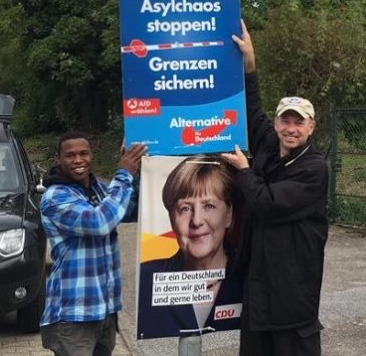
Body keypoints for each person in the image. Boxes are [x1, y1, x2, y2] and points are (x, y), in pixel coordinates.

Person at [221, 21, 329, 356]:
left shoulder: (314, 169)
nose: (291, 128)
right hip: (259, 294)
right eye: (286, 120)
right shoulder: (270, 144)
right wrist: (249, 63)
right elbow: (252, 112)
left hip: (293, 299)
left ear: (311, 127)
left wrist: (243, 170)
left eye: (299, 122)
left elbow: (267, 203)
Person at [39, 131, 147, 356]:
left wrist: (137, 172)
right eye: (70, 155)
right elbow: (99, 223)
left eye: (83, 153)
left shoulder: (97, 188)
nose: (78, 160)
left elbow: (129, 211)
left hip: (105, 310)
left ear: (91, 155)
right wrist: (124, 173)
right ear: (58, 159)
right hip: (74, 315)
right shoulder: (55, 197)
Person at [137, 155, 243, 339]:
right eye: (185, 208)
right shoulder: (147, 278)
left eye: (209, 206)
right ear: (171, 218)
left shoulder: (250, 275)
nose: (196, 221)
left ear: (229, 215)